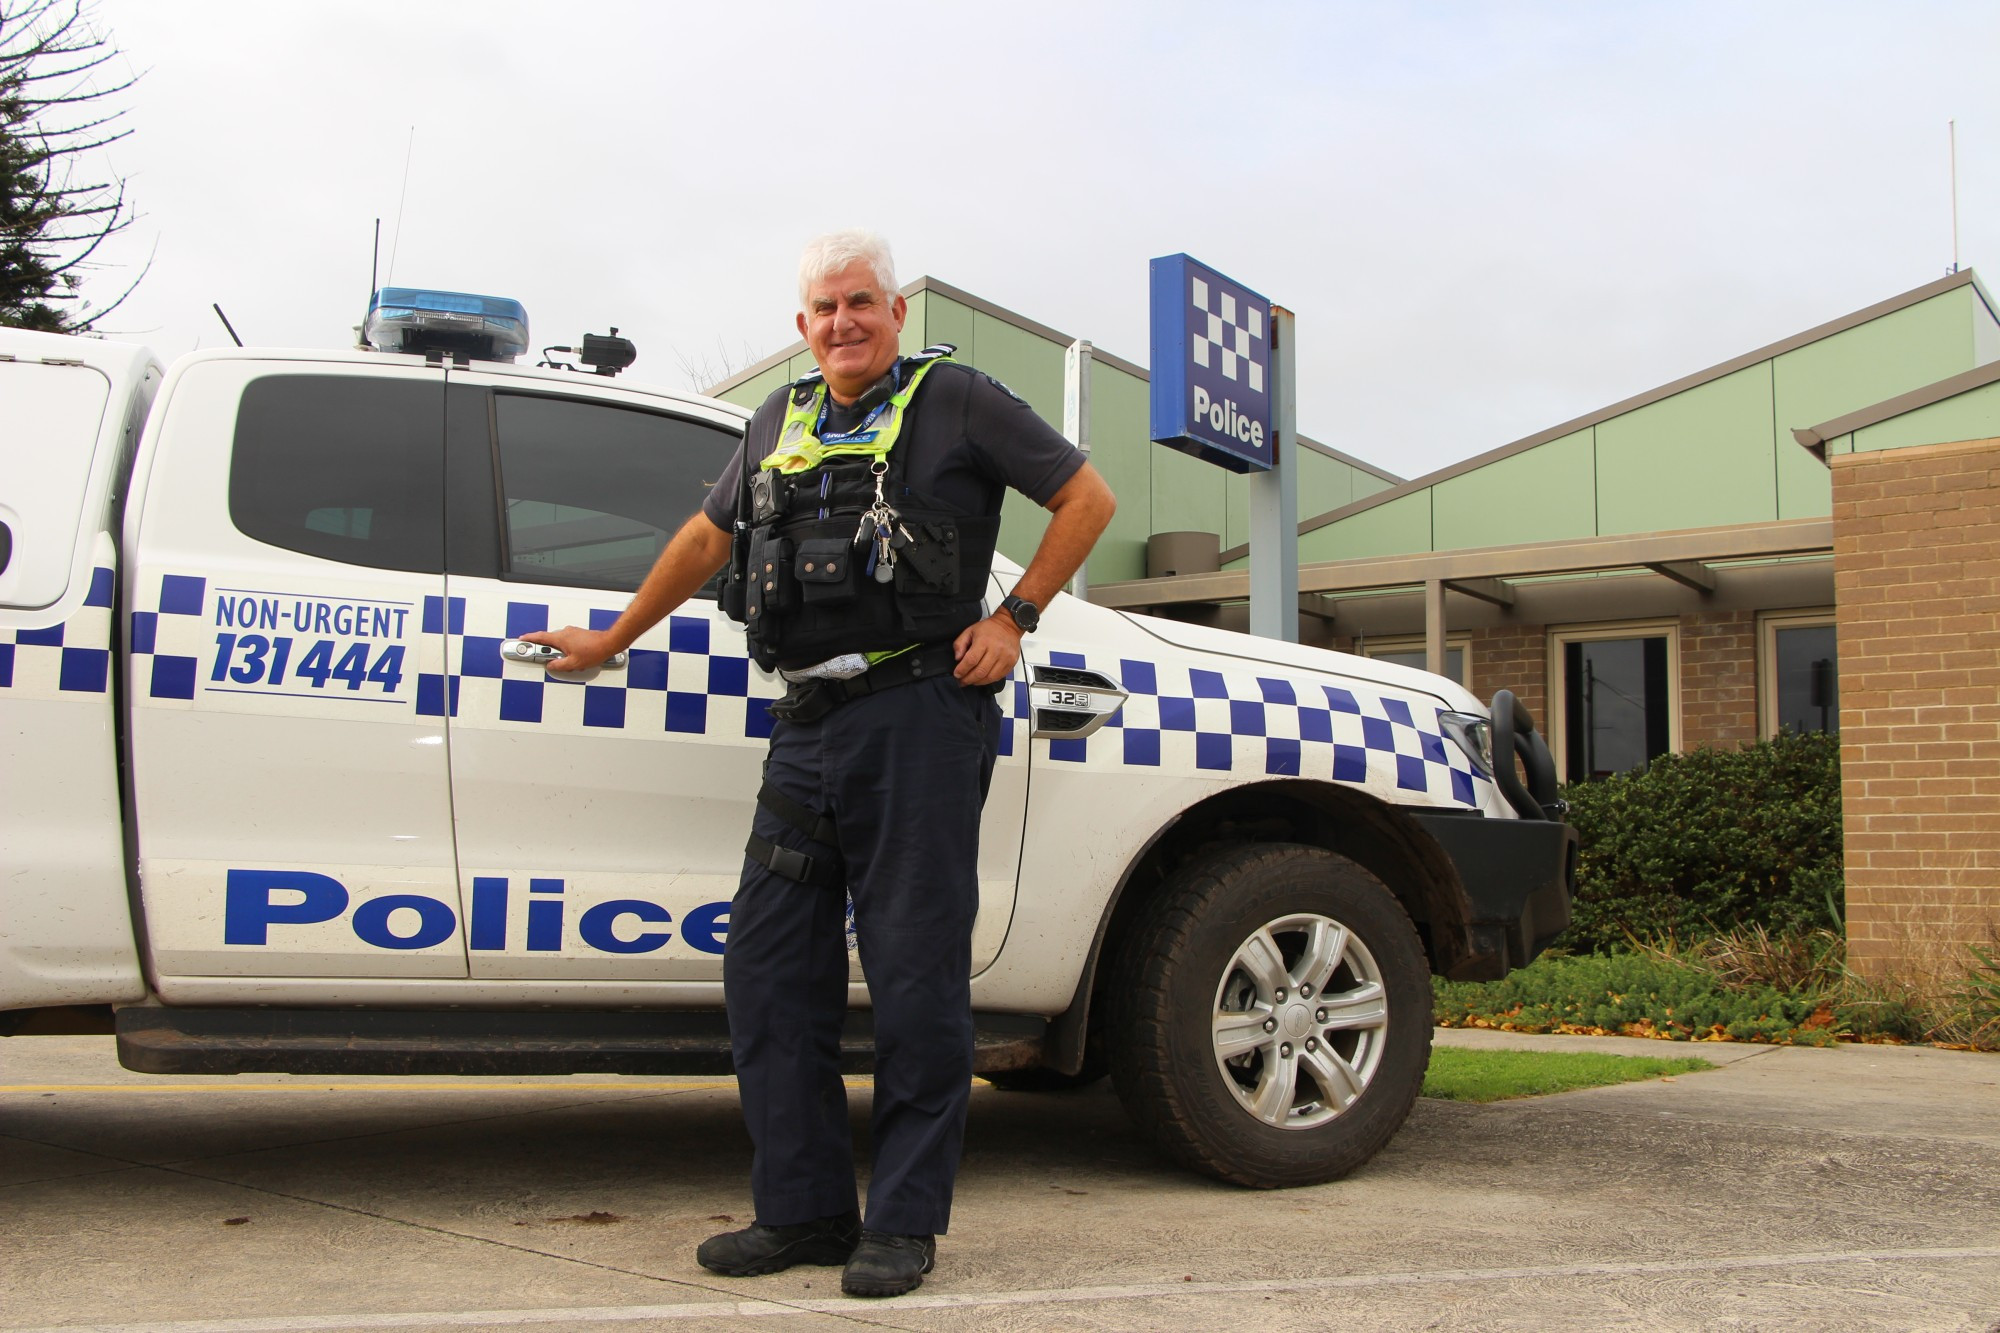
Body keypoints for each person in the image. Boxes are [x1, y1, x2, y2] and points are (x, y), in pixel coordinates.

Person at [524, 229, 1115, 1298]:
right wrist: (614, 638)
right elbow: (707, 539)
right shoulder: (778, 419)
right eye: (822, 309)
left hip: (920, 719)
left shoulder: (959, 401)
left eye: (860, 302)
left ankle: (901, 1222)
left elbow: (1087, 497)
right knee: (766, 969)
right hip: (806, 728)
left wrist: (1017, 616)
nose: (842, 322)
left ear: (894, 316)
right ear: (800, 329)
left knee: (912, 974)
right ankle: (799, 1210)